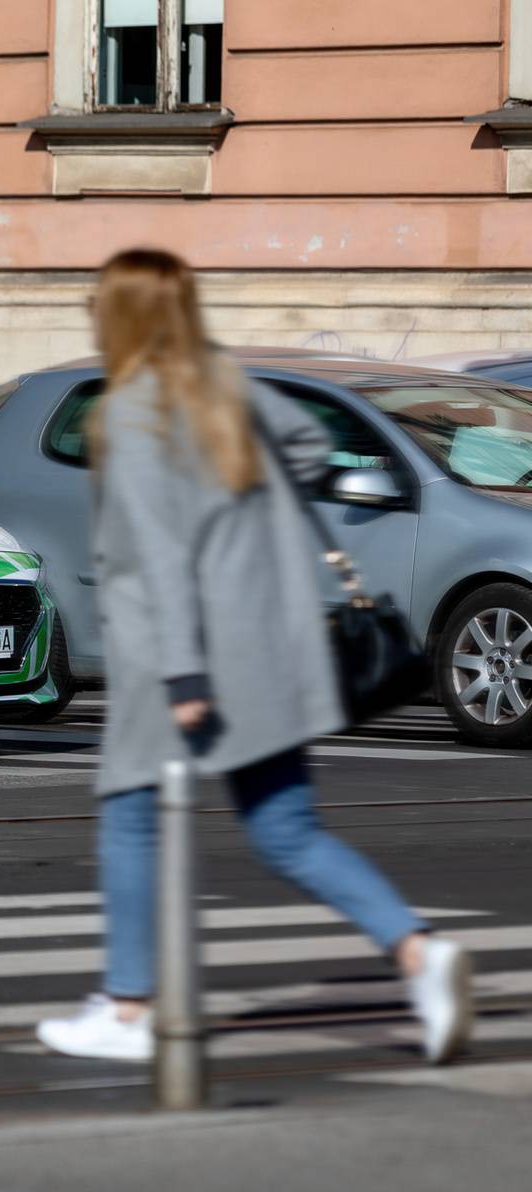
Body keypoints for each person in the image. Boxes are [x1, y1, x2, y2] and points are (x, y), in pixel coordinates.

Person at [35, 249, 473, 1065]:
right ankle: (418, 951)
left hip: (182, 659)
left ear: (122, 315)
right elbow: (311, 450)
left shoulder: (130, 414)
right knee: (285, 832)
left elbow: (157, 559)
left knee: (130, 821)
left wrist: (183, 675)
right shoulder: (232, 390)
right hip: (270, 641)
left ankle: (129, 1010)